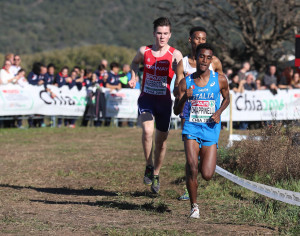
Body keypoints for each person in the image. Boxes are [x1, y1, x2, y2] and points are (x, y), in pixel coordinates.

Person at [173, 43, 230, 218]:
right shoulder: (186, 82)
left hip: (210, 129)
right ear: (196, 58)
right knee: (191, 166)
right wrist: (184, 99)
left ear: (211, 60)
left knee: (207, 174)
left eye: (208, 57)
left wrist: (219, 112)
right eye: (201, 57)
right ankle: (194, 207)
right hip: (191, 127)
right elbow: (176, 110)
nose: (204, 60)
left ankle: (194, 172)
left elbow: (227, 98)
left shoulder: (219, 79)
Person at [128, 17, 183, 193]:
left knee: (161, 142)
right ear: (154, 34)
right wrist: (133, 76)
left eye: (165, 34)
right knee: (147, 132)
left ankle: (157, 174)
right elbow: (134, 63)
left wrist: (177, 74)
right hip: (146, 99)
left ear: (170, 35)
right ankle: (149, 165)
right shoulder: (144, 51)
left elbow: (180, 80)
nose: (162, 37)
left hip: (164, 102)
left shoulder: (176, 54)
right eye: (159, 33)